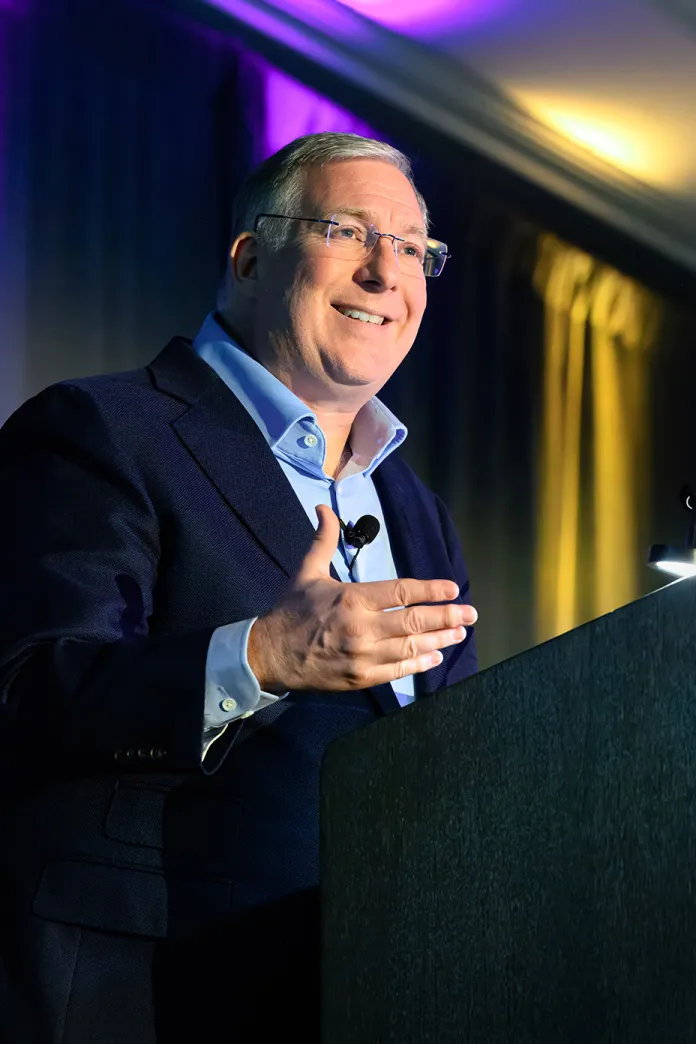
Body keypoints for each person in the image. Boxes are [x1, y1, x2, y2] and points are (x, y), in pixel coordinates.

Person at [0, 132, 478, 1043]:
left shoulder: (419, 514)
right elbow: (24, 689)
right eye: (350, 231)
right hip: (140, 987)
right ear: (252, 257)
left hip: (360, 991)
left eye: (414, 248)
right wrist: (260, 655)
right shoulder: (102, 429)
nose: (388, 273)